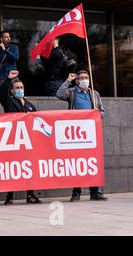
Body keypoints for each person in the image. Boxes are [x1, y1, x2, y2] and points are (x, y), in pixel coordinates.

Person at [56, 70, 107, 202]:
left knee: (93, 161)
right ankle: (76, 192)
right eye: (82, 78)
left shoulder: (94, 94)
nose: (85, 80)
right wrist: (68, 80)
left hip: (91, 132)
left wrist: (97, 114)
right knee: (77, 162)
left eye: (87, 77)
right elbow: (59, 94)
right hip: (75, 134)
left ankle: (95, 191)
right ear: (77, 81)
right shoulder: (72, 92)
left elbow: (102, 111)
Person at [0, 70, 42, 205]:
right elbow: (0, 94)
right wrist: (7, 79)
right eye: (17, 88)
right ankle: (9, 196)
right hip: (14, 140)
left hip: (28, 142)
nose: (20, 90)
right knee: (13, 169)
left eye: (21, 88)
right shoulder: (9, 102)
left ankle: (30, 195)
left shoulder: (30, 105)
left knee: (29, 168)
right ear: (11, 91)